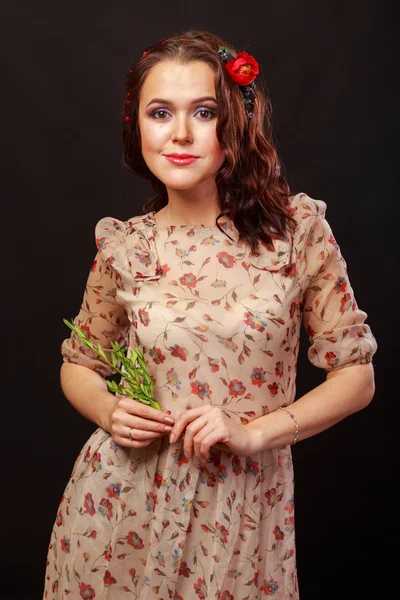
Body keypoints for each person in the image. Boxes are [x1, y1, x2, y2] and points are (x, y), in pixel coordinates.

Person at [43, 29, 377, 599]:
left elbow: (356, 377)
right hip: (120, 506)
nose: (179, 134)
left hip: (243, 506)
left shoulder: (297, 235)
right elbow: (78, 365)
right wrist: (107, 409)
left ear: (237, 122)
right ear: (136, 127)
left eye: (203, 112)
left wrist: (252, 434)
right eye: (159, 113)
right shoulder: (126, 247)